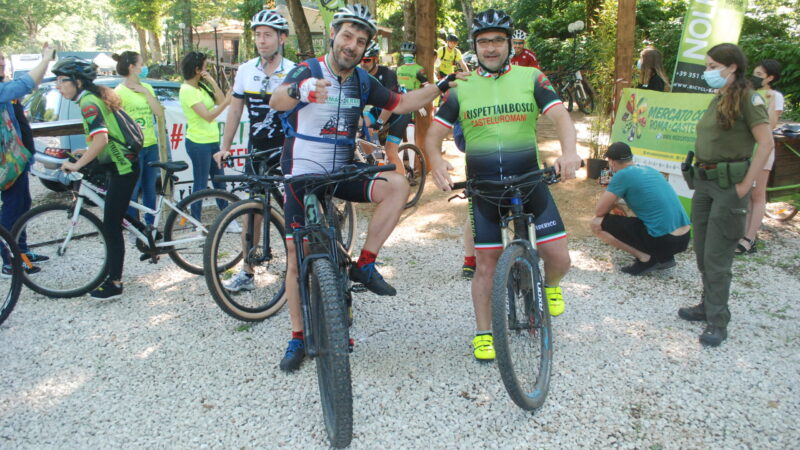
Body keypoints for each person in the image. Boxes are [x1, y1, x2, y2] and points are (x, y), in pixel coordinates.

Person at [269, 3, 467, 372]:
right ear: (333, 34)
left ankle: (365, 264)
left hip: (342, 171)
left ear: (365, 48)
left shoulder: (363, 80)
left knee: (395, 183)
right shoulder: (309, 69)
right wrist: (303, 88)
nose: (352, 45)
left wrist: (441, 85)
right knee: (297, 258)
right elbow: (276, 99)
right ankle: (297, 336)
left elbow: (403, 102)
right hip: (302, 174)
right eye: (347, 36)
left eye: (360, 41)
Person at [424, 9, 582, 361]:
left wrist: (569, 152)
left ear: (509, 44)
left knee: (559, 257)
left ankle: (551, 286)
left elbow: (561, 116)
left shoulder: (532, 77)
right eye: (483, 42)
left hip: (529, 180)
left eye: (497, 40)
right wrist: (437, 163)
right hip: (484, 188)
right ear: (475, 47)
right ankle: (483, 333)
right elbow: (433, 134)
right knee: (486, 265)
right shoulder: (461, 88)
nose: (491, 48)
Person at [677, 43, 773, 347]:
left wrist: (746, 185)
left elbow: (766, 143)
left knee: (717, 258)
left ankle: (718, 320)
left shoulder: (748, 98)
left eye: (712, 66)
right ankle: (707, 305)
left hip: (728, 186)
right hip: (704, 183)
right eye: (707, 66)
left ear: (731, 67)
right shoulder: (720, 98)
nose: (708, 72)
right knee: (704, 251)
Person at [212, 9, 296, 292]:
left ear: (281, 38)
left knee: (296, 211)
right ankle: (247, 271)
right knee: (253, 213)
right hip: (258, 152)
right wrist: (225, 147)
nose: (262, 41)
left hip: (288, 152)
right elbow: (235, 110)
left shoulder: (294, 70)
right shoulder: (246, 70)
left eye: (268, 35)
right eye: (258, 35)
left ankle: (309, 265)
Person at [56, 57, 140, 299]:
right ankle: (143, 237)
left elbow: (102, 138)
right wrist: (86, 150)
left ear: (78, 82)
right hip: (120, 163)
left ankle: (114, 283)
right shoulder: (91, 98)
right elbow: (103, 135)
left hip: (122, 166)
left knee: (111, 226)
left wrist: (77, 165)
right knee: (115, 213)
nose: (59, 86)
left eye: (63, 81)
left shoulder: (88, 102)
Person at [591, 142, 690, 275]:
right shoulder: (649, 170)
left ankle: (646, 259)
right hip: (683, 238)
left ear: (612, 162)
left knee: (596, 223)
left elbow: (599, 211)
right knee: (646, 221)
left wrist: (613, 204)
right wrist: (617, 204)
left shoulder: (622, 175)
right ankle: (665, 257)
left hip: (666, 240)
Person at [0, 45, 55, 277]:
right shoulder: (4, 90)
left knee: (22, 204)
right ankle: (9, 261)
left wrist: (45, 64)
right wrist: (44, 59)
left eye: (2, 60)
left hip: (17, 160)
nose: (2, 64)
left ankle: (21, 251)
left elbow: (30, 85)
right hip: (6, 164)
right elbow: (24, 84)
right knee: (12, 208)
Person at [737, 59, 783, 254]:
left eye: (760, 75)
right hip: (746, 148)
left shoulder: (776, 96)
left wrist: (771, 102)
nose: (756, 78)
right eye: (754, 73)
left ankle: (750, 237)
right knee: (746, 192)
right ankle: (742, 233)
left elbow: (771, 124)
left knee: (757, 193)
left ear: (770, 78)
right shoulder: (749, 93)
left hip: (763, 148)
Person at [113, 51, 164, 227]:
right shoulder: (118, 92)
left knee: (150, 188)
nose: (143, 68)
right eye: (141, 64)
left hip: (151, 144)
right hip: (133, 147)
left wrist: (145, 92)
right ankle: (133, 224)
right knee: (132, 189)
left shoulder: (147, 88)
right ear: (132, 67)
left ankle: (151, 224)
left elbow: (159, 112)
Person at [178, 51, 231, 219]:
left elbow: (220, 100)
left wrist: (212, 81)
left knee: (219, 181)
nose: (207, 69)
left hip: (212, 140)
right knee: (200, 183)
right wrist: (227, 103)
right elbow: (208, 116)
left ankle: (227, 217)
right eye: (205, 66)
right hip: (198, 142)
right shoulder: (187, 90)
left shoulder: (200, 86)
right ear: (196, 69)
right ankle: (196, 220)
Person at [360, 41, 413, 175]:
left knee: (391, 151)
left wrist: (378, 125)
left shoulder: (388, 74)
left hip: (399, 112)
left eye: (366, 60)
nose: (363, 63)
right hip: (378, 110)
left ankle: (401, 184)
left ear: (375, 59)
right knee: (361, 126)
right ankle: (379, 161)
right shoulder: (360, 75)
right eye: (360, 60)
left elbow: (391, 105)